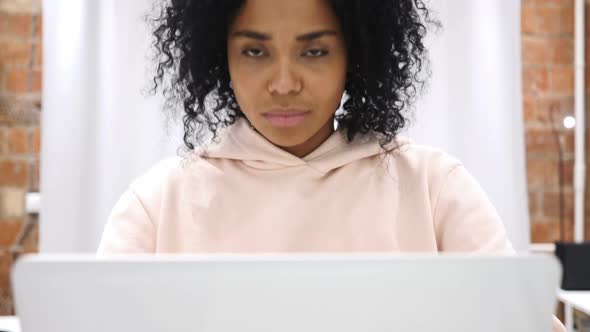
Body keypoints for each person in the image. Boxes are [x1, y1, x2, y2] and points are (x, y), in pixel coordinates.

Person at [97, 1, 565, 330]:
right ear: (221, 56)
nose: (283, 83)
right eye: (255, 51)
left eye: (314, 51)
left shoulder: (434, 189)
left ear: (355, 55)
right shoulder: (157, 206)